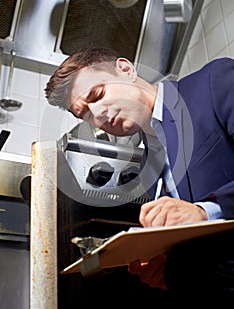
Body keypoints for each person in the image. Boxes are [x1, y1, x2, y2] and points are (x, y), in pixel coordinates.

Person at [45, 46, 234, 299]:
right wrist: (170, 269)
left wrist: (205, 211)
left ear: (125, 69)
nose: (98, 114)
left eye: (97, 94)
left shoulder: (214, 82)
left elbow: (203, 216)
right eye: (86, 114)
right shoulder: (148, 165)